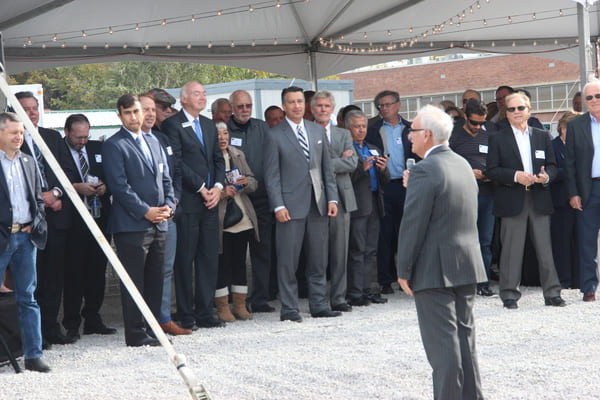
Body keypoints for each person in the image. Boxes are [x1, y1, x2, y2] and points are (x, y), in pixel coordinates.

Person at [396, 105, 486, 400]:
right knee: (465, 341)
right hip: (466, 263)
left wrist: (403, 269)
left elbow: (413, 224)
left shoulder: (424, 170)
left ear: (428, 135)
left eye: (413, 131)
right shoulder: (461, 163)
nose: (409, 136)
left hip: (434, 268)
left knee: (443, 349)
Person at [102, 94, 175, 346]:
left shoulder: (155, 142)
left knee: (156, 279)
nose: (134, 117)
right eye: (128, 113)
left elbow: (166, 179)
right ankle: (135, 333)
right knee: (134, 282)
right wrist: (145, 211)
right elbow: (119, 187)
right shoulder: (114, 145)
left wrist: (170, 206)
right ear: (119, 116)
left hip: (160, 222)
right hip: (132, 225)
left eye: (136, 111)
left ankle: (154, 330)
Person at [263, 86, 340, 322]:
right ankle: (289, 308)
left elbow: (327, 169)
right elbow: (271, 175)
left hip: (318, 205)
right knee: (288, 261)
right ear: (284, 106)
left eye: (300, 101)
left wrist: (332, 198)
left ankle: (319, 305)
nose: (297, 105)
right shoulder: (274, 135)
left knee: (319, 259)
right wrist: (277, 205)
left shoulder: (317, 131)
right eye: (291, 102)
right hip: (289, 207)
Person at [486, 92, 565, 309]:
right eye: (511, 109)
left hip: (538, 196)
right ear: (506, 113)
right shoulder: (497, 138)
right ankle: (509, 295)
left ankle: (552, 293)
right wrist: (515, 176)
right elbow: (491, 170)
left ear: (529, 110)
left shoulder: (541, 136)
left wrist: (546, 176)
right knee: (511, 249)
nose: (516, 112)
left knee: (545, 248)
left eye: (520, 108)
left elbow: (552, 165)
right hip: (512, 197)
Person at [161, 82, 226, 329]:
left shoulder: (209, 125)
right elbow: (176, 162)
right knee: (185, 260)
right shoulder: (172, 125)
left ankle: (206, 312)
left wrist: (218, 188)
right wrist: (200, 187)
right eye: (197, 94)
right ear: (184, 99)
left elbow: (218, 159)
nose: (203, 97)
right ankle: (186, 314)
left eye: (204, 93)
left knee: (209, 258)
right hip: (189, 202)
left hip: (211, 203)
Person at [15, 91, 74, 345]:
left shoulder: (51, 137)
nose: (31, 113)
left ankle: (52, 328)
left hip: (56, 217)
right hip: (29, 220)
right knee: (33, 278)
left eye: (34, 108)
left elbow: (66, 170)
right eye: (25, 109)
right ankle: (35, 334)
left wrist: (56, 193)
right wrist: (41, 197)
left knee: (54, 276)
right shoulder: (11, 140)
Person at [0, 112, 50, 372]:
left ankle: (33, 355)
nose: (19, 137)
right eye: (13, 133)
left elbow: (38, 199)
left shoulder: (28, 162)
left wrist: (36, 221)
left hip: (26, 238)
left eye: (21, 133)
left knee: (28, 298)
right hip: (2, 238)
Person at [60, 114, 116, 341]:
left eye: (86, 136)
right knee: (73, 273)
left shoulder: (98, 148)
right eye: (78, 137)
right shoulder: (58, 151)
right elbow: (53, 180)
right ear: (67, 132)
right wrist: (75, 187)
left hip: (99, 217)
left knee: (96, 271)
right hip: (73, 222)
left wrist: (104, 188)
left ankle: (93, 318)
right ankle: (72, 322)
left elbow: (113, 177)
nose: (82, 141)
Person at [138, 94, 190, 336]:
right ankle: (142, 322)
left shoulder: (162, 139)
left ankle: (164, 318)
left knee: (166, 269)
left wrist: (172, 203)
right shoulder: (125, 142)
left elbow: (175, 173)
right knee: (142, 272)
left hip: (168, 215)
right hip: (141, 219)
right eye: (144, 109)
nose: (150, 114)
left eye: (152, 110)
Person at [227, 90, 276, 313]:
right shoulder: (223, 129)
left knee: (262, 251)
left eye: (248, 105)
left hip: (262, 199)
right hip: (235, 202)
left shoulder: (262, 128)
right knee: (234, 255)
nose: (245, 110)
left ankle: (260, 298)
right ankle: (234, 301)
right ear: (232, 108)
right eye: (240, 106)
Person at [312, 90, 358, 311]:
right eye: (318, 106)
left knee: (341, 251)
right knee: (317, 252)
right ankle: (318, 299)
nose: (322, 109)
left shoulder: (343, 134)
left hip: (342, 197)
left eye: (326, 106)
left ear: (332, 109)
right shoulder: (307, 132)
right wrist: (338, 161)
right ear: (312, 109)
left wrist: (325, 164)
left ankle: (338, 298)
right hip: (315, 198)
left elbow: (353, 164)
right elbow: (305, 165)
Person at [365, 90, 415, 295]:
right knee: (384, 234)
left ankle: (408, 276)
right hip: (385, 186)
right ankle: (386, 279)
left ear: (398, 105)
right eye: (380, 106)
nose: (384, 109)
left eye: (387, 105)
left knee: (406, 233)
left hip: (407, 186)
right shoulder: (373, 129)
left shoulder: (411, 128)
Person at [449, 99, 496, 297]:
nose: (478, 127)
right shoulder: (454, 134)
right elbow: (446, 162)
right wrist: (469, 172)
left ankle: (483, 282)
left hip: (487, 192)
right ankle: (462, 282)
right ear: (465, 116)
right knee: (462, 240)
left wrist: (487, 174)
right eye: (474, 122)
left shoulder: (490, 133)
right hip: (462, 195)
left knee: (485, 241)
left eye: (481, 123)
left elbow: (499, 160)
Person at [215, 122, 258, 321]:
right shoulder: (210, 156)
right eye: (218, 134)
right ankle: (223, 306)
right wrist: (222, 192)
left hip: (242, 216)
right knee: (221, 262)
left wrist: (246, 182)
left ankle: (240, 304)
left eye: (225, 133)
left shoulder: (238, 154)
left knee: (240, 262)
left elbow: (253, 180)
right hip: (221, 217)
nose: (222, 138)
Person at [346, 110, 390, 306]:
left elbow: (386, 179)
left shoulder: (373, 147)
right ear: (348, 129)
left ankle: (367, 289)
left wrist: (382, 169)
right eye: (357, 126)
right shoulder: (346, 150)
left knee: (370, 249)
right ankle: (355, 293)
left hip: (374, 202)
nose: (361, 130)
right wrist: (360, 169)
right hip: (357, 204)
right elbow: (343, 179)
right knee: (357, 250)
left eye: (364, 126)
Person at [565, 79, 600, 302]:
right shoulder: (576, 126)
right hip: (589, 189)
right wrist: (573, 193)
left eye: (598, 96)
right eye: (589, 97)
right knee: (587, 240)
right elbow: (570, 163)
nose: (594, 100)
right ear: (584, 102)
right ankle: (589, 287)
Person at [550, 110, 582, 289]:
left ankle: (579, 279)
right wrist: (571, 171)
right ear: (562, 129)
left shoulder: (580, 146)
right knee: (561, 241)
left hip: (580, 201)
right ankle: (564, 278)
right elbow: (552, 172)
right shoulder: (553, 146)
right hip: (560, 200)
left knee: (580, 239)